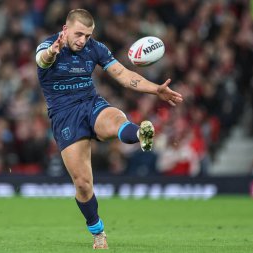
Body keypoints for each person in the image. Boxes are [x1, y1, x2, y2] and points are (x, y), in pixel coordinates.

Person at [35, 9, 183, 249]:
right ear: (65, 29)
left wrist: (155, 89)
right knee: (83, 184)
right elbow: (42, 60)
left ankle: (139, 133)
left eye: (88, 35)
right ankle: (98, 231)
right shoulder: (48, 46)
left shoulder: (95, 48)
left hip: (91, 104)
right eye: (79, 34)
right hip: (65, 116)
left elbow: (123, 74)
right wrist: (52, 51)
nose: (83, 40)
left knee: (114, 120)